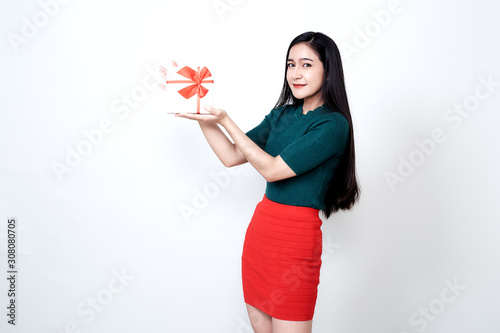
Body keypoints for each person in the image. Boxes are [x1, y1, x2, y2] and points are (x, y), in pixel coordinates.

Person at [175, 31, 360, 333]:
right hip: (262, 234)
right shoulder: (281, 115)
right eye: (291, 65)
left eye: (306, 65)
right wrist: (202, 117)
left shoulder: (332, 125)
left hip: (295, 241)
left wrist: (225, 121)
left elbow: (272, 170)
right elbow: (232, 155)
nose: (296, 74)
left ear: (328, 72)